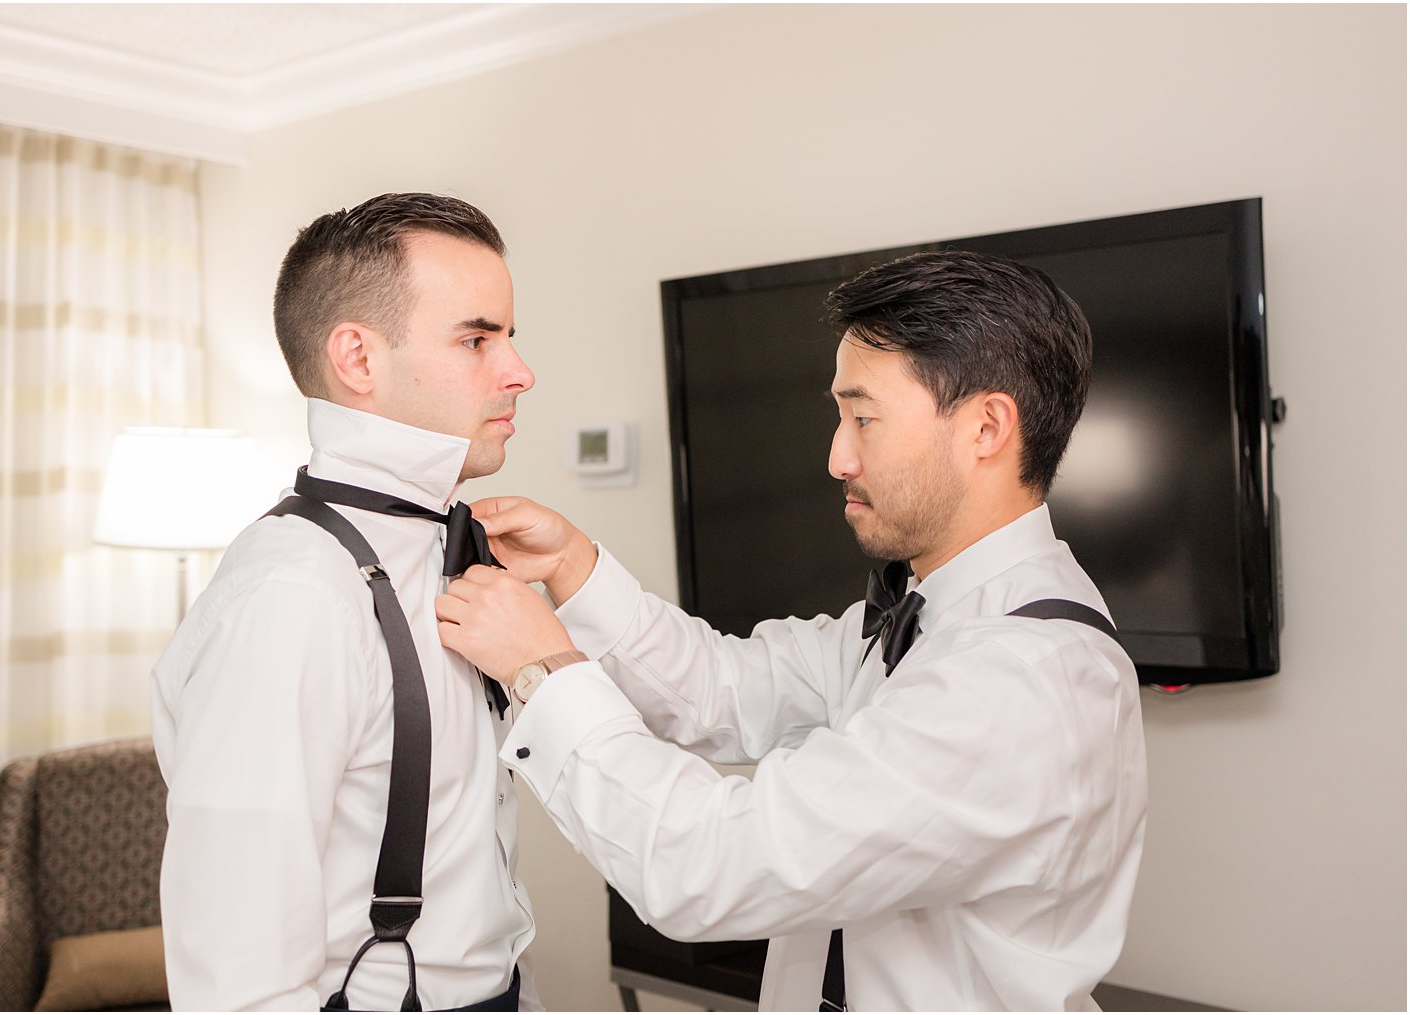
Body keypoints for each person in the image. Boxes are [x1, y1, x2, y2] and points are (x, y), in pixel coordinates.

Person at [435, 249, 1148, 1011]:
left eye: (864, 417)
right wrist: (575, 569)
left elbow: (716, 864)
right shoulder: (924, 616)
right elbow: (722, 688)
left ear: (985, 427)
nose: (837, 455)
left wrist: (542, 671)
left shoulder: (1022, 678)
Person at [152, 193, 541, 1011]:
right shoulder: (293, 596)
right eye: (478, 338)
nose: (519, 371)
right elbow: (238, 975)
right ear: (358, 359)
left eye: (508, 336)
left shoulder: (449, 546)